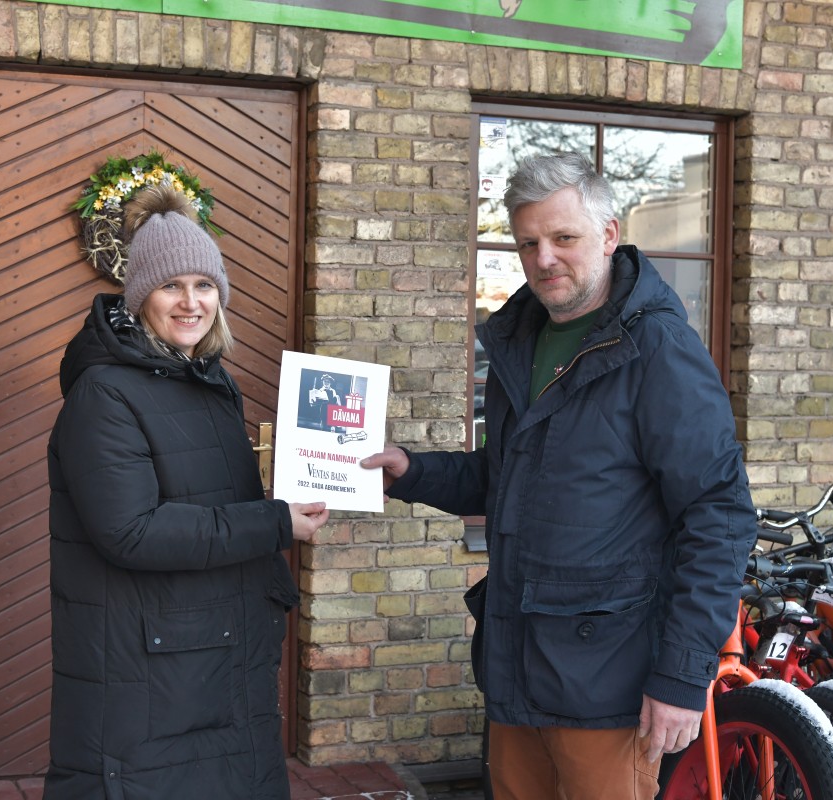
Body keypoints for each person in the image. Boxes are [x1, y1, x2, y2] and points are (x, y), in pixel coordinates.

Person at [362, 152, 758, 800]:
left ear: (608, 235)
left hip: (610, 690)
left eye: (563, 237)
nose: (544, 258)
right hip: (517, 676)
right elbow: (506, 479)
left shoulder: (657, 349)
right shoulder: (520, 341)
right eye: (528, 243)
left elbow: (719, 514)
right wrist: (411, 471)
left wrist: (682, 677)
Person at [44, 184, 329, 799]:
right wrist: (275, 523)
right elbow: (131, 530)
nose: (190, 302)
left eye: (204, 285)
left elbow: (209, 503)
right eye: (171, 285)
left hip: (212, 653)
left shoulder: (207, 379)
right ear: (140, 294)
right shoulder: (105, 394)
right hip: (151, 673)